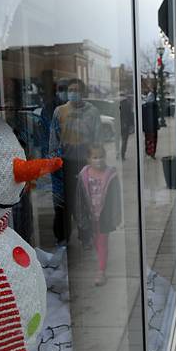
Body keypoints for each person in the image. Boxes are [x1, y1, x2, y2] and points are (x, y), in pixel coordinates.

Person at [50, 78, 102, 245]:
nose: (73, 93)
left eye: (76, 90)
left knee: (85, 200)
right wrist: (53, 160)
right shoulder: (59, 111)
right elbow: (54, 137)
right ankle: (62, 237)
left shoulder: (92, 112)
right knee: (62, 202)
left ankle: (86, 236)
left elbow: (97, 137)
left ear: (82, 92)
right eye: (71, 89)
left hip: (85, 163)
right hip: (64, 163)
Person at [76, 144, 121, 286]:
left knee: (102, 242)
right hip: (90, 216)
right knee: (96, 241)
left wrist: (116, 215)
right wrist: (79, 216)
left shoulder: (111, 175)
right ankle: (101, 261)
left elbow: (116, 198)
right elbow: (79, 198)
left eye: (101, 157)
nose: (99, 160)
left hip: (104, 216)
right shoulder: (83, 175)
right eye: (95, 157)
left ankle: (101, 271)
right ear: (88, 159)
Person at [141, 91, 159, 158]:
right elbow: (157, 116)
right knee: (153, 139)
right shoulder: (154, 106)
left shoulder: (144, 106)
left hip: (148, 127)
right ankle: (152, 152)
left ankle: (149, 151)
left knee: (148, 139)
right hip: (152, 127)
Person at [118, 94, 134, 160]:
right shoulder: (128, 104)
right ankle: (122, 154)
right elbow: (130, 114)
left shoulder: (116, 103)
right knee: (124, 140)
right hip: (125, 124)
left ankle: (118, 153)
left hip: (117, 123)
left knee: (117, 140)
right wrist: (132, 123)